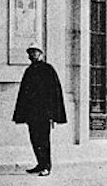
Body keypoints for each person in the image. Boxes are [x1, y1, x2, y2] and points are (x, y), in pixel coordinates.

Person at [12, 45, 67, 176]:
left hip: (44, 113)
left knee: (43, 140)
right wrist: (22, 113)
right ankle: (40, 163)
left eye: (34, 52)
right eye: (30, 53)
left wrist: (53, 113)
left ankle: (46, 166)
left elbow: (55, 92)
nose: (32, 55)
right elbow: (23, 94)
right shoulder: (29, 70)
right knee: (34, 139)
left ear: (41, 54)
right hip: (32, 113)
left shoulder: (48, 69)